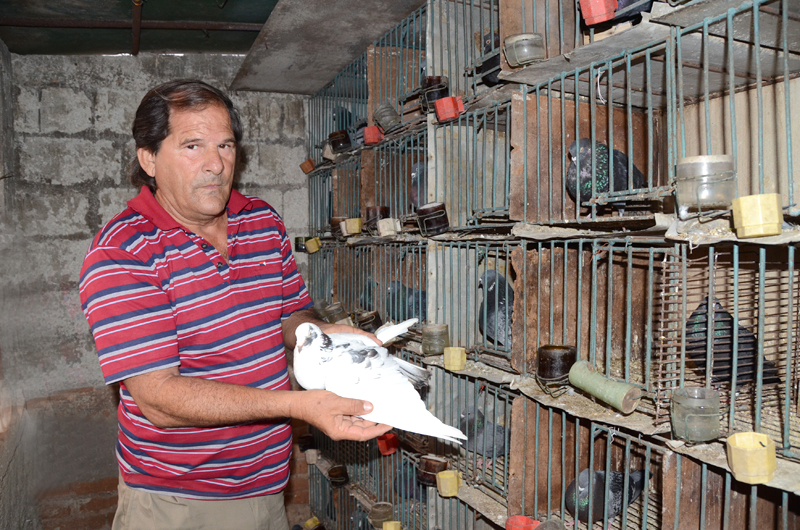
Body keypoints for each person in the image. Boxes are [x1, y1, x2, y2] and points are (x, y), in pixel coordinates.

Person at [79, 80, 391, 530]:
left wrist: (326, 336)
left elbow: (291, 315)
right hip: (178, 501)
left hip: (266, 486)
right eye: (192, 145)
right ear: (149, 159)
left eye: (225, 144)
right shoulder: (125, 251)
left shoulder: (261, 221)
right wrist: (299, 407)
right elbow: (161, 400)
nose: (215, 164)